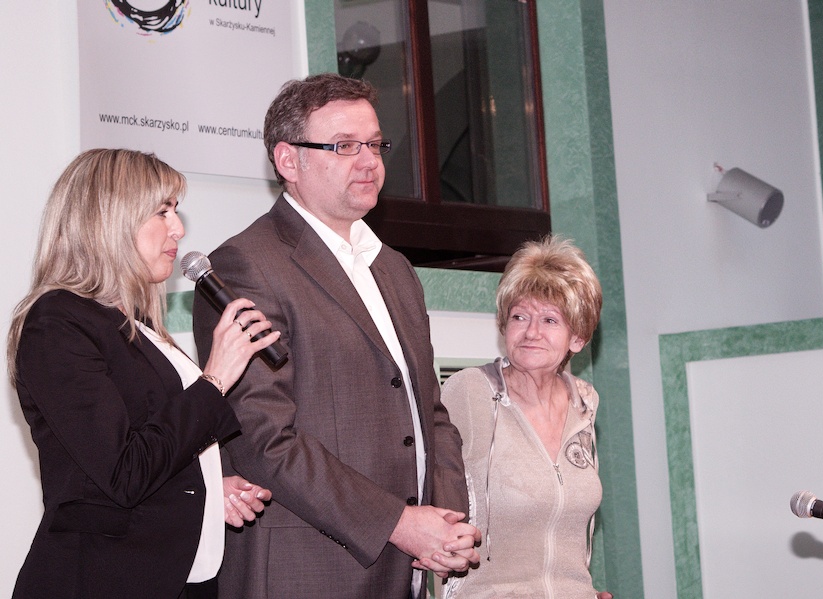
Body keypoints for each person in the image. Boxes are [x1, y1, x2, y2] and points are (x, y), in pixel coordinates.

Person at [191, 72, 480, 598]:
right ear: (288, 161)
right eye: (345, 146)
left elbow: (430, 413)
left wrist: (446, 523)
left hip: (406, 569)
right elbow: (264, 439)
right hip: (308, 570)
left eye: (375, 144)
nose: (369, 161)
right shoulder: (245, 266)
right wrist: (398, 523)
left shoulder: (394, 269)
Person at [7, 149, 282, 599]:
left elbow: (152, 450)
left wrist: (206, 488)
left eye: (176, 211)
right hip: (101, 579)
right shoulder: (57, 323)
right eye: (162, 211)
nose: (179, 229)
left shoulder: (138, 325)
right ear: (109, 219)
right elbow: (123, 472)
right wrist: (214, 379)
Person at [441, 236, 614, 599]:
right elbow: (419, 486)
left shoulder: (585, 402)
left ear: (578, 337)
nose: (531, 332)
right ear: (504, 325)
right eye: (520, 316)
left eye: (550, 320)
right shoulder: (471, 391)